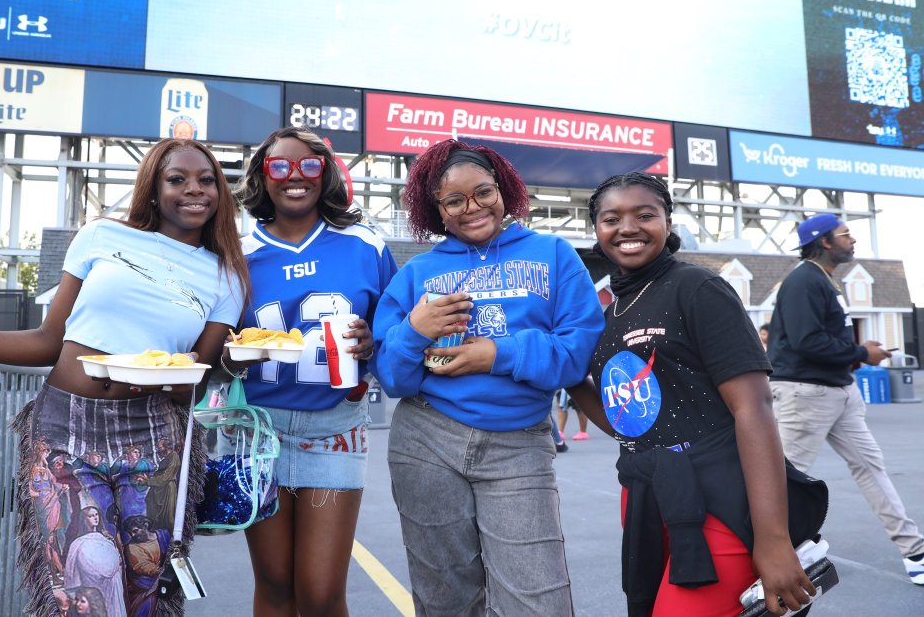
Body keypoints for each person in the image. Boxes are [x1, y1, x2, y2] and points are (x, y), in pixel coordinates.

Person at [0, 138, 249, 616]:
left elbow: (196, 378)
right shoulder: (101, 236)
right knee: (85, 597)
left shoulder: (226, 275)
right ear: (152, 189)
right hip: (65, 431)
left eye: (207, 180)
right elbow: (48, 340)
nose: (195, 190)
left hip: (154, 438)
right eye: (178, 179)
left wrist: (237, 360)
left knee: (143, 590)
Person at [570, 172, 828, 616]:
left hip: (717, 494)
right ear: (597, 231)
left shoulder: (697, 288)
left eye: (644, 215)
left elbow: (753, 407)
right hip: (646, 493)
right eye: (611, 218)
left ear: (668, 222)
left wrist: (773, 539)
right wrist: (569, 379)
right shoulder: (610, 313)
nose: (627, 228)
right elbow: (631, 422)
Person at [370, 140, 604, 615]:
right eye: (454, 201)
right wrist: (415, 332)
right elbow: (393, 377)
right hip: (426, 440)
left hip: (518, 442)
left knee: (537, 601)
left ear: (505, 189)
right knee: (445, 599)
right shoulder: (419, 271)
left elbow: (576, 354)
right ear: (436, 209)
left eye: (483, 192)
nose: (472, 208)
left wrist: (497, 354)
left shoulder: (554, 254)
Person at [229, 125, 397, 615]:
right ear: (264, 176)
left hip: (334, 428)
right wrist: (233, 353)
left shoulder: (364, 243)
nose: (294, 176)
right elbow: (216, 348)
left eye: (309, 165)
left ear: (326, 174)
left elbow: (395, 332)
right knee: (276, 584)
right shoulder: (237, 253)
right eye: (279, 166)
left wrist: (373, 343)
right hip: (258, 430)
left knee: (321, 593)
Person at [768, 213, 924, 585]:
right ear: (824, 241)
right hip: (806, 393)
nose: (852, 240)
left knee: (871, 468)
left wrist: (860, 353)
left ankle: (915, 552)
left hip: (839, 390)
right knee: (785, 481)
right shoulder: (803, 280)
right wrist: (859, 353)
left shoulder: (824, 280)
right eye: (845, 234)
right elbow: (807, 342)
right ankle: (762, 555)